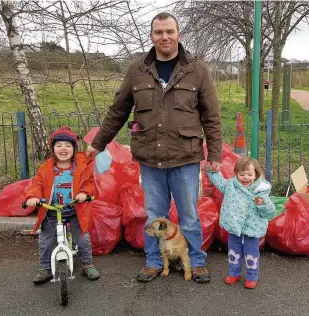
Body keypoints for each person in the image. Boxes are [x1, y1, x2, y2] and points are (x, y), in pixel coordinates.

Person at [87, 12, 222, 283]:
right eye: (159, 32)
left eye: (170, 31)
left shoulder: (196, 70)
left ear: (179, 35)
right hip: (150, 160)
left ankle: (195, 262)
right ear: (152, 36)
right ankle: (152, 262)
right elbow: (118, 110)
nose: (165, 37)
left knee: (189, 216)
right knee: (153, 217)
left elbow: (212, 116)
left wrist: (216, 155)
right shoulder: (138, 70)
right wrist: (98, 143)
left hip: (186, 158)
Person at [26, 126, 100, 285]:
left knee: (82, 238)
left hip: (74, 210)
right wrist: (33, 197)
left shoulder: (80, 167)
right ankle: (45, 267)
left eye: (68, 145)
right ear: (53, 149)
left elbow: (88, 183)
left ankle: (87, 264)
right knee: (46, 239)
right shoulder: (46, 168)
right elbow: (37, 184)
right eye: (59, 145)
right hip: (52, 211)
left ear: (74, 148)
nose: (63, 149)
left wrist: (84, 194)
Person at [205, 157, 275, 289]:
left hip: (252, 229)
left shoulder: (260, 191)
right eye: (242, 174)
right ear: (236, 173)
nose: (245, 178)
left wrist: (263, 204)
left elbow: (269, 211)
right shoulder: (231, 185)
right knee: (234, 252)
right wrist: (211, 170)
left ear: (256, 174)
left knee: (251, 254)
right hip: (235, 228)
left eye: (249, 174)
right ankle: (234, 273)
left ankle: (252, 276)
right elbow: (219, 182)